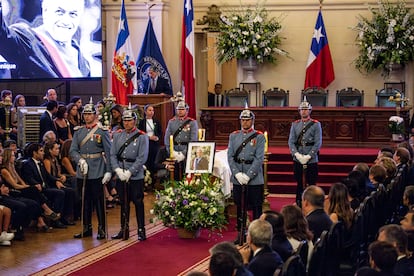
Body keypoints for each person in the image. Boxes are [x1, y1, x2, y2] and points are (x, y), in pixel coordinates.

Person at [0, 0, 91, 78]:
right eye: (59, 12)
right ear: (45, 11)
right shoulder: (26, 39)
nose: (66, 21)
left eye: (73, 14)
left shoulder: (83, 62)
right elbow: (2, 34)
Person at [70, 100, 112, 240]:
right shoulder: (78, 131)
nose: (87, 116)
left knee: (98, 201)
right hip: (82, 171)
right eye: (85, 114)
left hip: (97, 169)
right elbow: (73, 150)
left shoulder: (102, 131)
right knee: (84, 201)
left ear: (95, 115)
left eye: (90, 114)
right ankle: (86, 227)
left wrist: (108, 171)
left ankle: (101, 228)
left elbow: (109, 151)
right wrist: (80, 160)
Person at [110, 108, 149, 241]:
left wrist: (130, 172)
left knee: (138, 202)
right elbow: (113, 154)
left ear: (135, 121)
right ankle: (123, 228)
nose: (127, 123)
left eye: (129, 120)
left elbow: (142, 158)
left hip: (135, 175)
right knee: (123, 203)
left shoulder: (142, 136)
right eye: (125, 120)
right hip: (121, 173)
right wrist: (118, 170)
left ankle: (141, 229)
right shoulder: (117, 135)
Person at [227, 109, 265, 244]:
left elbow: (259, 158)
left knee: (256, 208)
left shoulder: (259, 137)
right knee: (240, 207)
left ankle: (257, 236)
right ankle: (241, 234)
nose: (245, 122)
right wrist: (237, 173)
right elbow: (230, 156)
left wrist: (248, 176)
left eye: (247, 120)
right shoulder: (234, 136)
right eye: (242, 120)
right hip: (238, 177)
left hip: (254, 179)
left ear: (252, 121)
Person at [288, 97, 322, 206]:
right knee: (299, 183)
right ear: (299, 111)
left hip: (311, 158)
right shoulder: (295, 124)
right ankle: (299, 202)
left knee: (311, 183)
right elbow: (291, 142)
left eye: (306, 109)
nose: (304, 111)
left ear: (310, 111)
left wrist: (309, 156)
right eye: (302, 109)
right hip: (298, 157)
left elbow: (318, 142)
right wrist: (296, 154)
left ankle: (313, 203)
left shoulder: (316, 124)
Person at [164, 101, 198, 180]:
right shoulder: (171, 122)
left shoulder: (192, 123)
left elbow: (193, 139)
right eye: (178, 109)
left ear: (186, 110)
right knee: (174, 175)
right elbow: (167, 138)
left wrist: (184, 153)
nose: (180, 111)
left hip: (186, 151)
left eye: (182, 109)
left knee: (186, 175)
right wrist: (171, 151)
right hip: (174, 150)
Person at [138, 104, 162, 190]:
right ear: (145, 112)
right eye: (149, 110)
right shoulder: (142, 122)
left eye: (152, 110)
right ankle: (146, 183)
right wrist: (148, 137)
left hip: (154, 144)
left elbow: (160, 132)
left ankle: (154, 183)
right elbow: (140, 133)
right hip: (146, 143)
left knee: (154, 162)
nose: (151, 112)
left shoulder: (156, 121)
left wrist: (157, 137)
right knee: (147, 162)